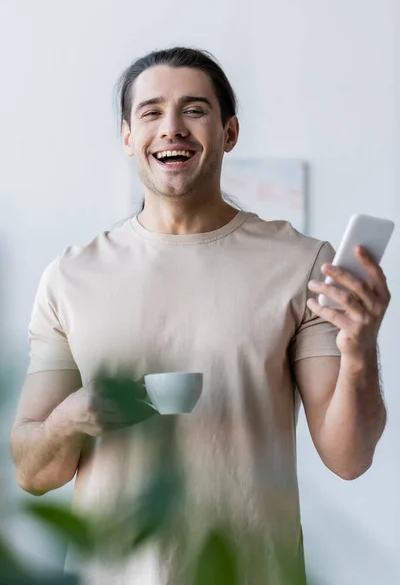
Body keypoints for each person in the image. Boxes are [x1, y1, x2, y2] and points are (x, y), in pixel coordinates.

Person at [10, 47, 390, 584]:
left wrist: (359, 351)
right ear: (127, 138)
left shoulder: (303, 262)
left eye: (194, 109)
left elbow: (349, 458)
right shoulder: (70, 277)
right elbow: (33, 472)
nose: (172, 128)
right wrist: (72, 418)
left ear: (229, 132)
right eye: (151, 112)